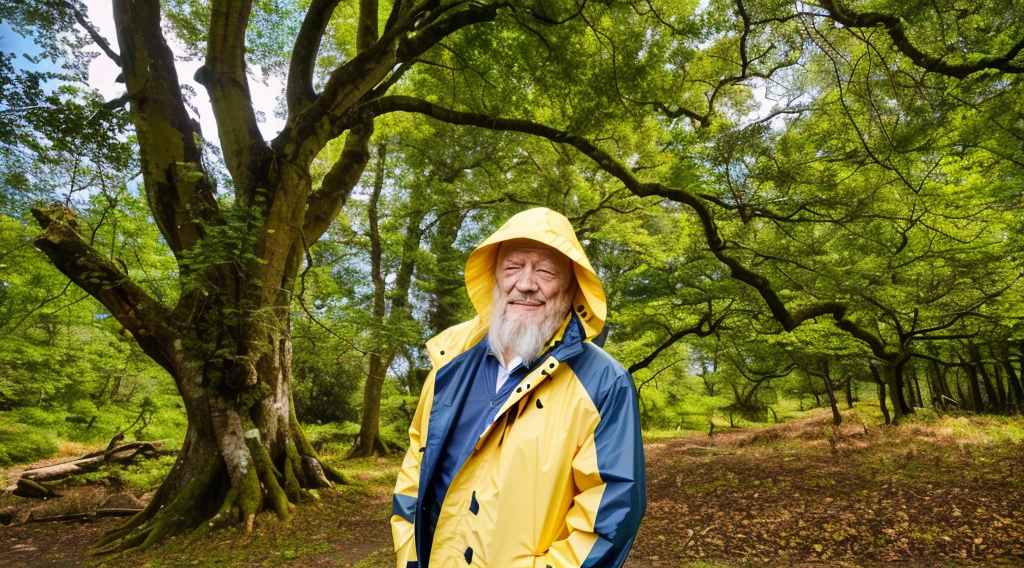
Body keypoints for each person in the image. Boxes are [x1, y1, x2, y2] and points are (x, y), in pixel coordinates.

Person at [391, 207, 646, 568]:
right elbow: (413, 473)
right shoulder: (450, 362)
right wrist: (409, 558)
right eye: (513, 267)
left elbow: (610, 515)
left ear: (572, 286)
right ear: (494, 277)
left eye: (545, 270)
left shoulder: (604, 383)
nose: (525, 284)